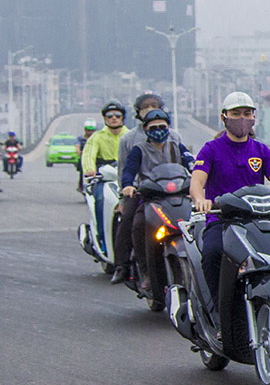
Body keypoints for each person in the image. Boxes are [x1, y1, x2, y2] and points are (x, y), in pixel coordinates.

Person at [189, 92, 270, 319]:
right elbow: (197, 181)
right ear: (224, 117)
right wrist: (200, 200)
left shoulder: (261, 151)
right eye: (235, 114)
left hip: (258, 221)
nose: (241, 119)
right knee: (213, 253)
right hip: (221, 221)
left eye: (246, 114)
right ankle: (216, 314)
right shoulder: (210, 149)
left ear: (254, 118)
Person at [120, 108, 194, 284]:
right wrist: (128, 185)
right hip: (149, 198)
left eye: (162, 126)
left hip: (177, 195)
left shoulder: (176, 146)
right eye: (153, 127)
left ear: (168, 127)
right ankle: (141, 271)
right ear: (145, 130)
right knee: (137, 225)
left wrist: (200, 176)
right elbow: (129, 170)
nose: (158, 130)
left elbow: (192, 163)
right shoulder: (139, 150)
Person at [109, 93, 175, 284]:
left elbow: (188, 163)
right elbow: (125, 170)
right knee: (131, 222)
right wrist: (126, 191)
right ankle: (123, 265)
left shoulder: (174, 138)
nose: (158, 130)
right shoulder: (130, 140)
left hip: (173, 191)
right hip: (143, 193)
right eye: (146, 107)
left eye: (155, 105)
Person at [81, 101, 129, 240]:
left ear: (122, 118)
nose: (113, 118)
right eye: (109, 116)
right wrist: (90, 170)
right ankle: (102, 237)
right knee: (101, 200)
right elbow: (88, 154)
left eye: (117, 115)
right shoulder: (97, 136)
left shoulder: (130, 135)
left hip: (127, 178)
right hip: (105, 177)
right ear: (104, 119)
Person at [76, 119, 98, 192]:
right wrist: (80, 152)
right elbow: (77, 147)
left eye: (92, 130)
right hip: (84, 159)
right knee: (82, 172)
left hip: (95, 159)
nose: (90, 132)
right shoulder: (81, 139)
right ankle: (81, 186)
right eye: (88, 130)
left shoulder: (97, 138)